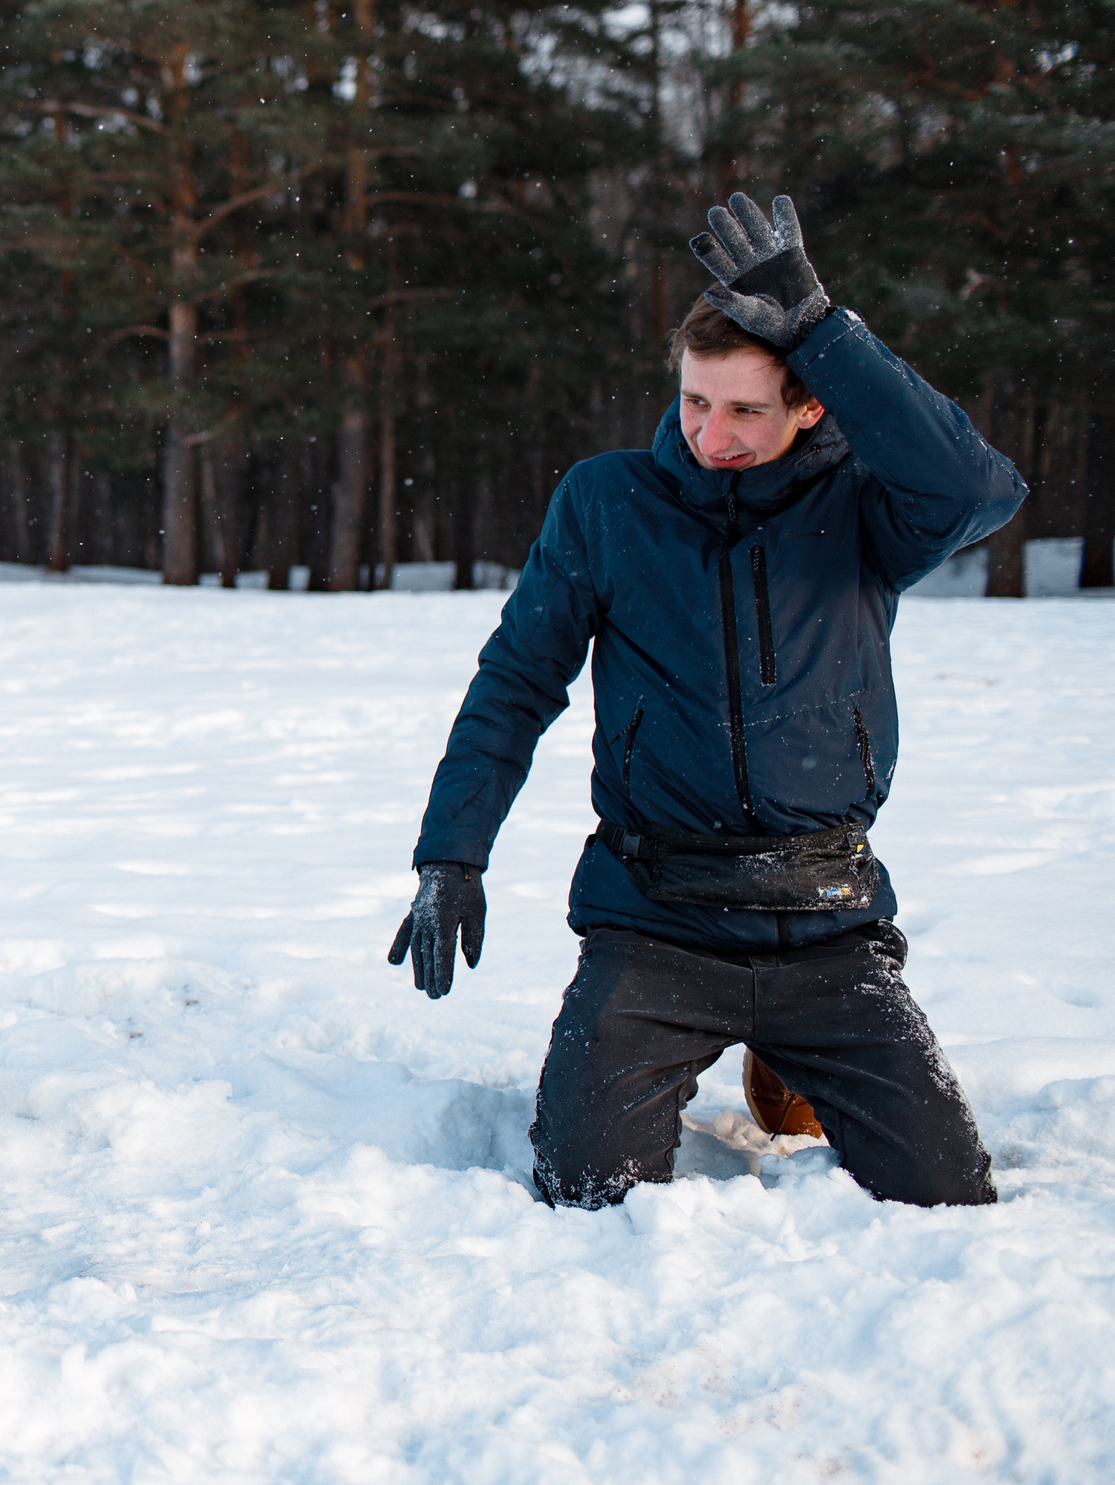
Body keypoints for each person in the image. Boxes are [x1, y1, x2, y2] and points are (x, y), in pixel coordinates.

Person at [389, 192, 1024, 1209]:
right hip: (655, 922)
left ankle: (790, 1054)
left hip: (825, 922)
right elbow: (516, 681)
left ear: (811, 403)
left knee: (946, 1204)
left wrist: (825, 334)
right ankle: (743, 1045)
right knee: (589, 1198)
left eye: (743, 410)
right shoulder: (606, 500)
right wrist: (450, 853)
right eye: (693, 401)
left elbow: (982, 490)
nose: (707, 434)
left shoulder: (868, 509)